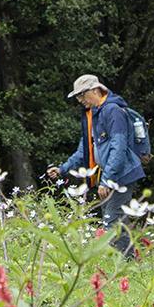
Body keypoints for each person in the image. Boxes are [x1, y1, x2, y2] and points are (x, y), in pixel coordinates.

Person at [44, 75, 145, 259]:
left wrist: (107, 180)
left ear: (96, 90)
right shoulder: (93, 115)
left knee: (112, 221)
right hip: (109, 175)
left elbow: (119, 147)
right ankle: (129, 260)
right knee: (114, 219)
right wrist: (62, 169)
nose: (80, 100)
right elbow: (85, 150)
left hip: (120, 174)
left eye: (83, 95)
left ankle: (126, 263)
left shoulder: (113, 111)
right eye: (77, 97)